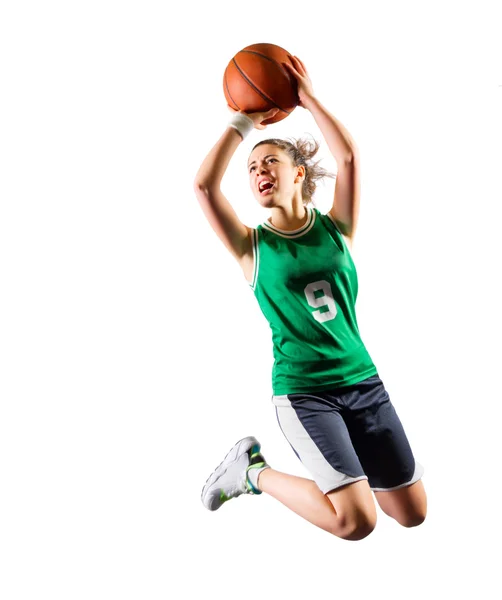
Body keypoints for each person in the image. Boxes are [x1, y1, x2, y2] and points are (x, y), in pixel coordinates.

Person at [194, 55, 426, 541]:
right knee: (355, 521)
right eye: (252, 167)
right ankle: (252, 471)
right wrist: (244, 119)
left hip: (365, 382)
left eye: (270, 161)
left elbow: (349, 159)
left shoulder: (337, 229)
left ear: (299, 173)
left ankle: (348, 471)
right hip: (304, 393)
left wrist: (306, 99)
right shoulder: (251, 247)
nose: (259, 171)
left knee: (411, 513)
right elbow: (204, 185)